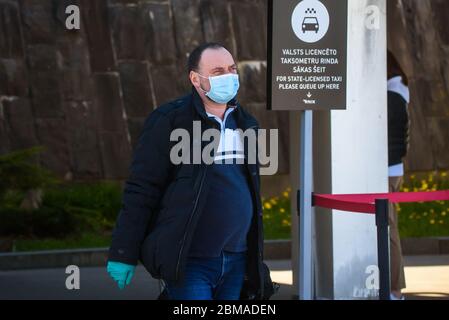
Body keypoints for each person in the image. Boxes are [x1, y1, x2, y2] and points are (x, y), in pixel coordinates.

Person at [106, 43, 274, 300]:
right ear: (196, 79)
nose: (228, 77)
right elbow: (142, 189)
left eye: (231, 69)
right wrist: (122, 252)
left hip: (238, 260)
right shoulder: (170, 121)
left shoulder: (246, 123)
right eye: (218, 72)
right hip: (190, 262)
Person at [387, 50, 410, 300]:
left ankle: (395, 288)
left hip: (386, 169)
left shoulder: (391, 94)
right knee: (388, 228)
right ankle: (393, 287)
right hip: (392, 169)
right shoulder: (398, 90)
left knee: (388, 229)